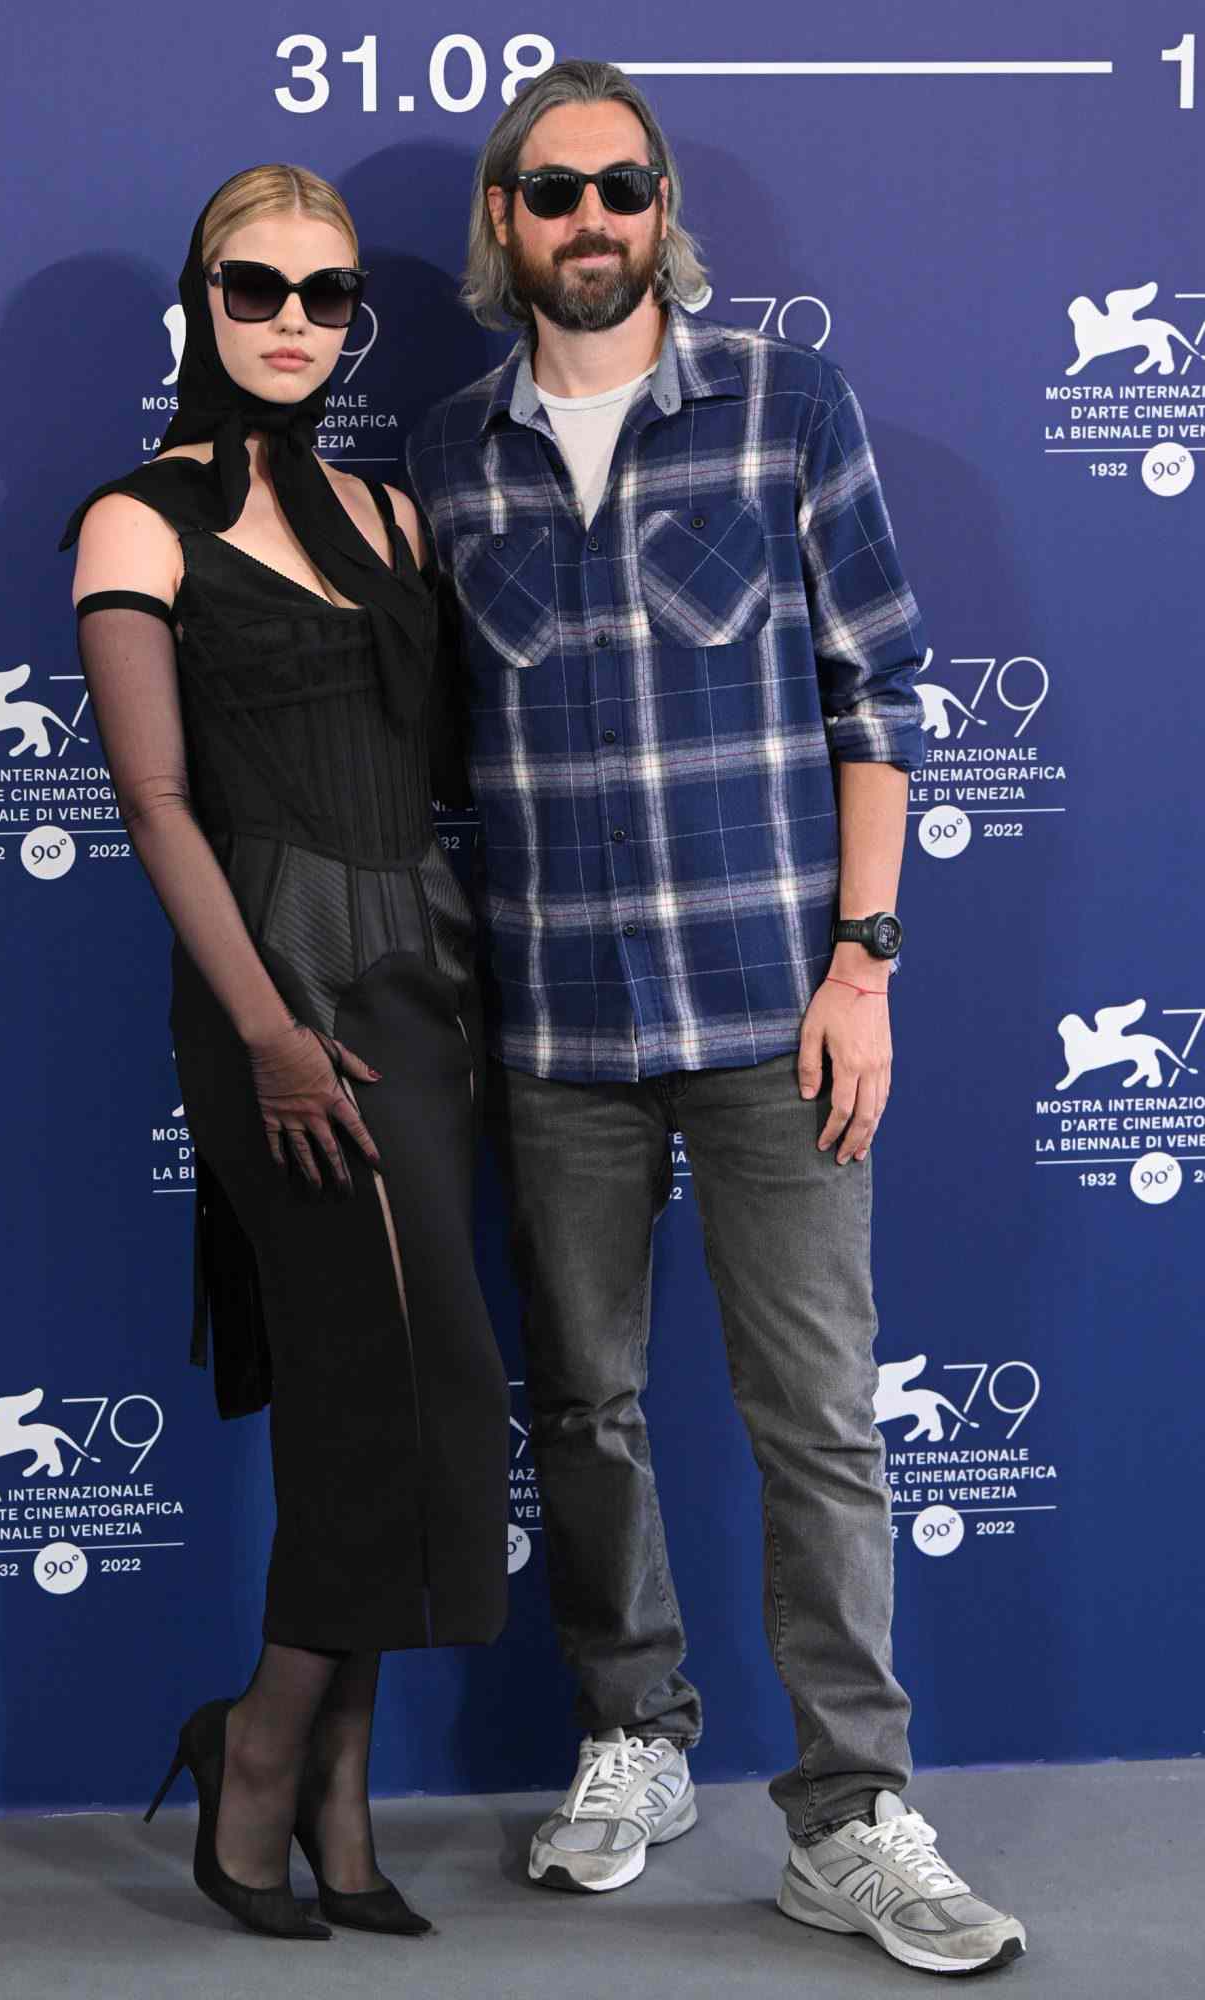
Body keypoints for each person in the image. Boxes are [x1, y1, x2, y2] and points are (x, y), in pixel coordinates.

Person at [406, 61, 1026, 1976]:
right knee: (582, 1404)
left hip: (778, 1009)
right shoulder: (447, 454)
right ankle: (631, 1733)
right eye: (550, 191)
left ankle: (850, 1816)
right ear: (503, 228)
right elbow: (432, 758)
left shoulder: (784, 403)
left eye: (620, 186)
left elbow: (880, 696)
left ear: (662, 206)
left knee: (818, 1422)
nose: (589, 220)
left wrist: (868, 963)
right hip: (557, 1026)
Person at [59, 164, 508, 1943]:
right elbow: (155, 801)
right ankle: (257, 1752)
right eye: (257, 288)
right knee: (373, 1379)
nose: (293, 323)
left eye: (326, 298)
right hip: (272, 995)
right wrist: (265, 1032)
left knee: (395, 1394)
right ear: (203, 298)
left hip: (423, 980)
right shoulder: (134, 519)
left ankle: (332, 1786)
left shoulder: (395, 520)